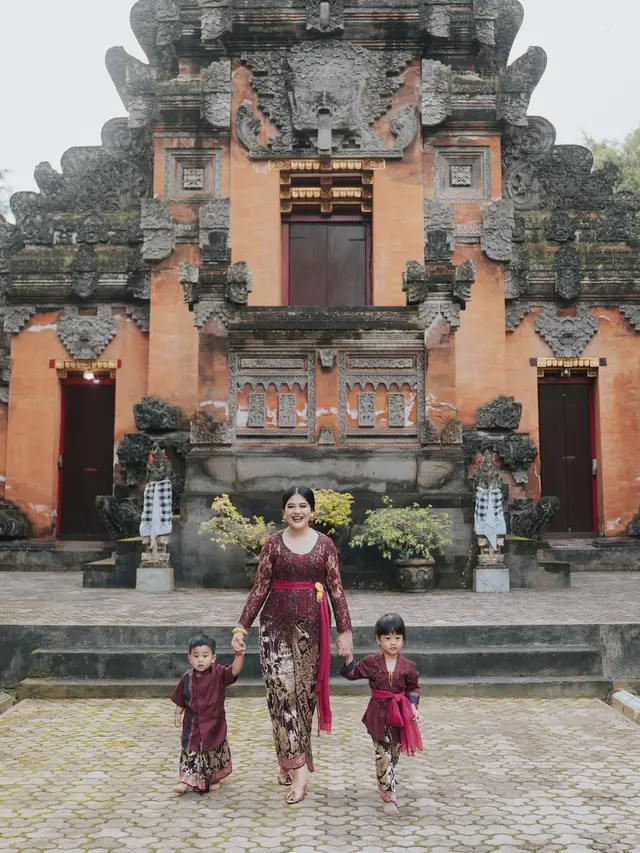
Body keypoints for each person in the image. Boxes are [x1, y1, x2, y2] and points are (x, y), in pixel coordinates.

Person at [231, 485, 353, 804]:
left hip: (312, 629)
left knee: (302, 698)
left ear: (312, 510)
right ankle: (298, 771)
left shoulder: (325, 545)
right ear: (283, 511)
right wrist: (242, 626)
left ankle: (291, 762)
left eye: (302, 505)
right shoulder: (272, 544)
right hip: (274, 627)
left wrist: (345, 630)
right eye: (290, 505)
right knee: (281, 695)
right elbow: (260, 588)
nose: (296, 511)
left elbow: (336, 590)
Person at [339, 612, 422, 817]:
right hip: (378, 713)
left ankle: (388, 777)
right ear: (378, 639)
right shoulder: (371, 662)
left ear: (403, 639)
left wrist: (414, 708)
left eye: (397, 638)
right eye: (387, 638)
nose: (393, 643)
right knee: (382, 754)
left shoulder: (409, 666)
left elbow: (413, 689)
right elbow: (352, 674)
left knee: (394, 754)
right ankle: (388, 796)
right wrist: (349, 655)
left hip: (400, 714)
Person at [171, 632, 245, 794]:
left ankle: (212, 778)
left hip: (213, 724)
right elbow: (181, 699)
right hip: (192, 725)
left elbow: (234, 670)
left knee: (213, 752)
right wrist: (178, 714)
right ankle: (185, 780)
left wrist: (239, 654)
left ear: (213, 658)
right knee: (190, 751)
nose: (200, 660)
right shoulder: (187, 678)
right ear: (189, 658)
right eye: (196, 656)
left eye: (205, 656)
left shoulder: (219, 674)